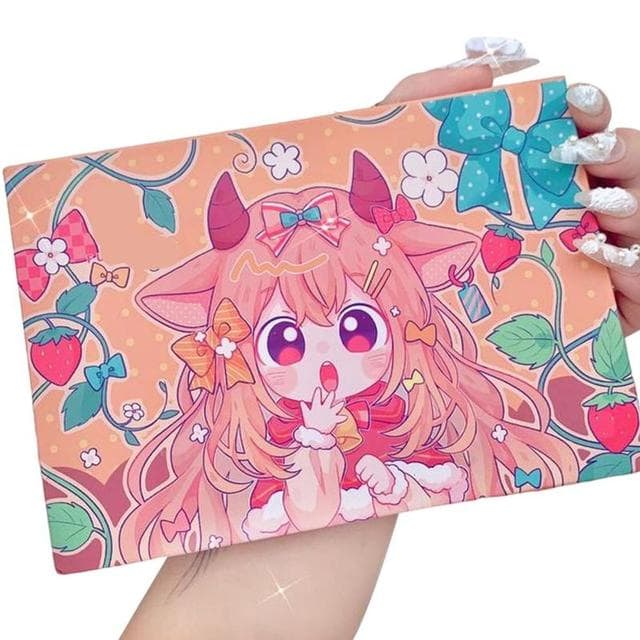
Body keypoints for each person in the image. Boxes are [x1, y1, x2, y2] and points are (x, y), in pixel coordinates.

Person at [122, 53, 640, 639]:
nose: (326, 364)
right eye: (285, 341)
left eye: (357, 330)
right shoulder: (274, 464)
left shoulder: (427, 431)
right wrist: (322, 440)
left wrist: (577, 308)